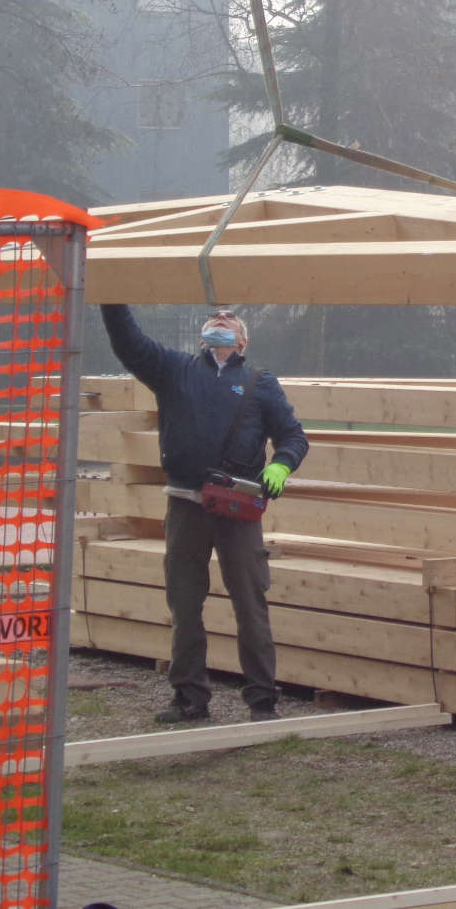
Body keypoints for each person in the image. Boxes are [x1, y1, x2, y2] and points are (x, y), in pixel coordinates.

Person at [101, 304, 309, 724]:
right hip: (185, 504)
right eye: (215, 318)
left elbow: (292, 435)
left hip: (238, 509)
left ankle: (262, 701)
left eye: (229, 319)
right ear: (202, 337)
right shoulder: (174, 369)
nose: (221, 316)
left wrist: (281, 464)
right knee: (184, 603)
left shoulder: (259, 383)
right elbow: (129, 344)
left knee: (250, 604)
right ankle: (189, 699)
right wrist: (112, 300)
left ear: (242, 340)